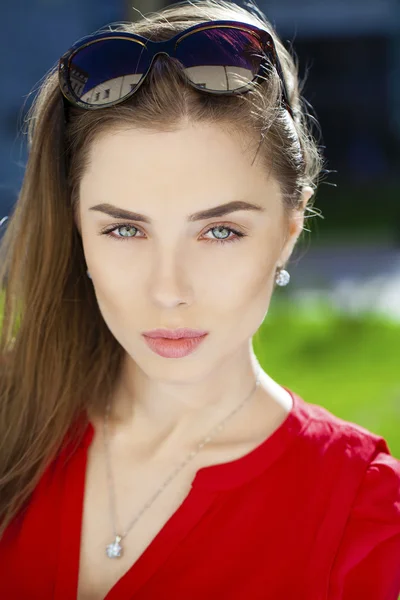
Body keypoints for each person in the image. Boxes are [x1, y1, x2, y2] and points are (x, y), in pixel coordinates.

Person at [0, 1, 399, 598]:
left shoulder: (363, 518)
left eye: (219, 232)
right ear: (77, 231)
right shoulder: (12, 420)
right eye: (125, 230)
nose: (168, 291)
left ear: (289, 231)